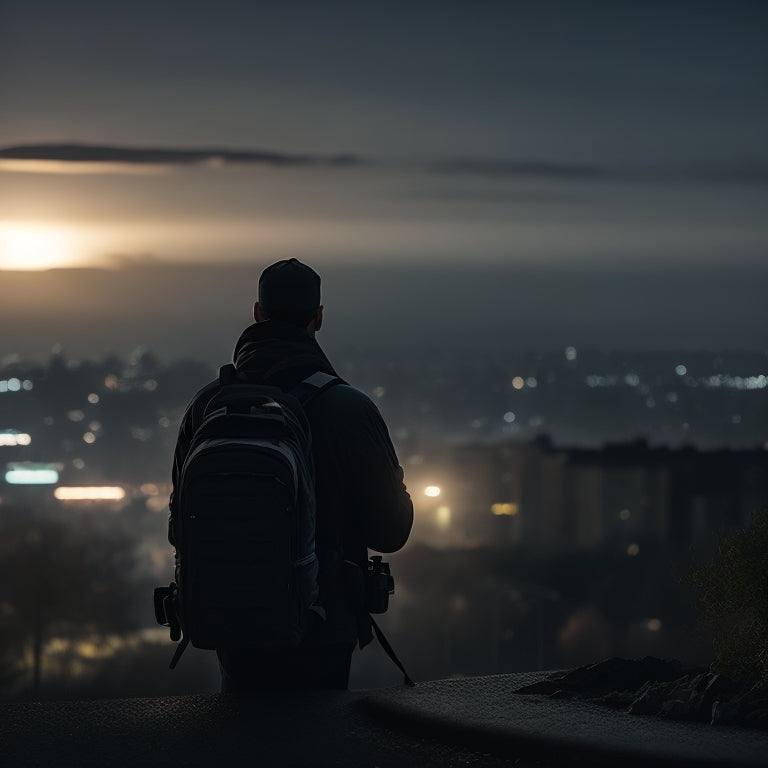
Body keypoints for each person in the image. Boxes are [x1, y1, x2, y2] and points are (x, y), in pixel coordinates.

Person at [168, 258, 413, 691]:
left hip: (230, 621)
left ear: (258, 313)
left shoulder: (208, 406)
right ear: (318, 318)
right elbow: (390, 531)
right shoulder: (347, 409)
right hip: (324, 623)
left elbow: (180, 527)